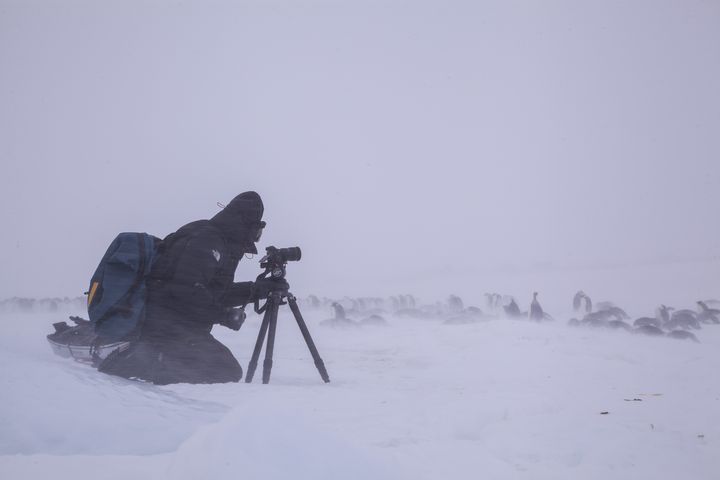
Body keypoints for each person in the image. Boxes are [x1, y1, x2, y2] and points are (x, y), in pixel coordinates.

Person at [98, 191, 288, 385]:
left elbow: (215, 293)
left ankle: (152, 358)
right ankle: (138, 362)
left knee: (226, 369)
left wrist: (259, 290)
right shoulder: (207, 240)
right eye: (257, 230)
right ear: (247, 224)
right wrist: (224, 315)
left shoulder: (220, 242)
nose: (257, 237)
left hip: (182, 327)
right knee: (225, 370)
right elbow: (184, 290)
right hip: (165, 327)